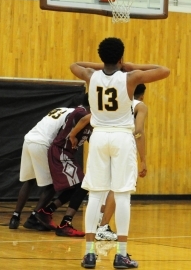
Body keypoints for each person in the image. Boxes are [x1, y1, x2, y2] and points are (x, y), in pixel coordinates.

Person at [70, 37, 170, 269]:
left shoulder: (90, 76)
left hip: (99, 137)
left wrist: (101, 64)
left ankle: (89, 254)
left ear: (102, 56)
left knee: (95, 194)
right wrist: (131, 65)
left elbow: (74, 65)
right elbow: (164, 70)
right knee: (122, 194)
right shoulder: (131, 77)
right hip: (122, 137)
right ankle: (121, 254)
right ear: (121, 57)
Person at [96, 84, 149, 241]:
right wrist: (143, 159)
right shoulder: (139, 105)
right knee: (119, 188)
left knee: (103, 187)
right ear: (142, 95)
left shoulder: (116, 102)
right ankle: (103, 227)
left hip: (102, 142)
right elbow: (138, 131)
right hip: (123, 145)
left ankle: (99, 222)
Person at [34, 96, 93, 237]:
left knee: (78, 186)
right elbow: (85, 120)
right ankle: (65, 224)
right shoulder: (81, 113)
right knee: (82, 185)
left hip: (66, 153)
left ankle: (46, 211)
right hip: (61, 151)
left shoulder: (88, 115)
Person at [9, 106, 74, 230]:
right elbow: (62, 136)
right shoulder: (78, 114)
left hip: (29, 139)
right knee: (54, 183)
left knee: (30, 180)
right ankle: (34, 217)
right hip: (42, 143)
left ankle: (15, 217)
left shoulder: (62, 109)